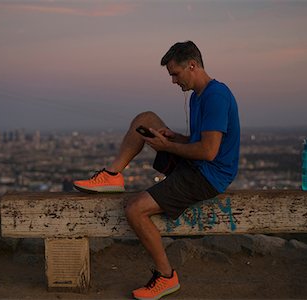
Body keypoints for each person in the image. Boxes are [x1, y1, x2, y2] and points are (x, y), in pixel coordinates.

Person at [74, 40, 240, 300]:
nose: (174, 81)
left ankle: (166, 276)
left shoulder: (215, 95)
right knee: (146, 119)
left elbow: (209, 152)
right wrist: (175, 137)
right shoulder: (198, 96)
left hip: (208, 177)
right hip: (196, 165)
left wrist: (168, 146)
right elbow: (199, 142)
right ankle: (112, 175)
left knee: (134, 209)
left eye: (175, 74)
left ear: (193, 65)